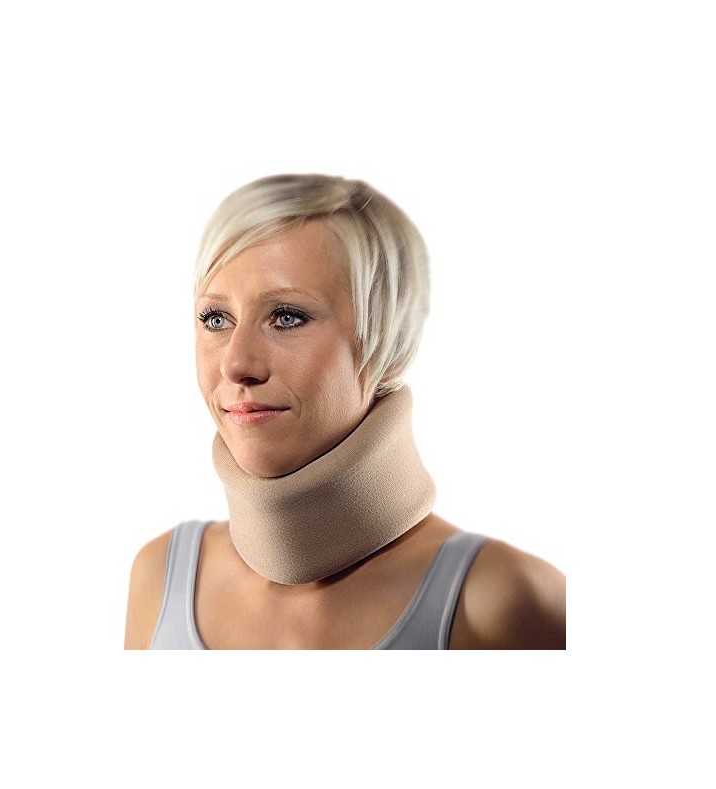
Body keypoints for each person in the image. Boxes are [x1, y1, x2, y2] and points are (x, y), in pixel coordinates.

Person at [124, 174, 566, 649]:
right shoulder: (158, 576)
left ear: (390, 344)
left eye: (287, 317)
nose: (236, 363)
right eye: (216, 319)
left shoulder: (506, 600)